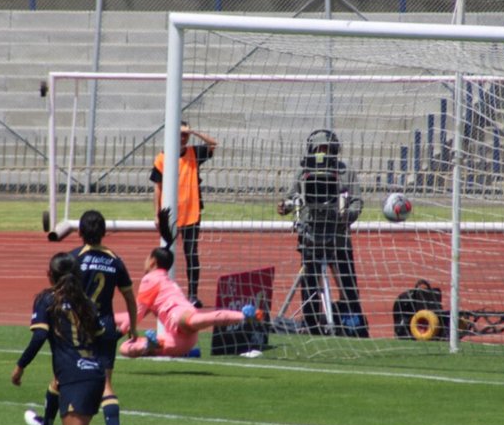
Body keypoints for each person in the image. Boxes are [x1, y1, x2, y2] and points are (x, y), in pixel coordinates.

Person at [12, 252, 145, 425]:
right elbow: (102, 336)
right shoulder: (85, 303)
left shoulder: (47, 299)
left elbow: (40, 336)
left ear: (51, 275)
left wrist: (20, 365)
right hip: (93, 373)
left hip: (75, 376)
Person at [24, 210, 139, 425]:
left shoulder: (75, 259)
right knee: (106, 383)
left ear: (79, 233)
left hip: (81, 326)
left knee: (61, 377)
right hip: (106, 326)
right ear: (105, 232)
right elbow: (130, 296)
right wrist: (134, 325)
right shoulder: (114, 260)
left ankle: (48, 424)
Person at [276, 129, 370, 337]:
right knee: (310, 282)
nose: (323, 153)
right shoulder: (303, 173)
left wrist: (346, 216)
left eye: (327, 149)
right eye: (319, 149)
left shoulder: (346, 172)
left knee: (347, 282)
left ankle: (353, 323)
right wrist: (285, 206)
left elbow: (356, 201)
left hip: (338, 237)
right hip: (310, 236)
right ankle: (311, 323)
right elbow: (292, 197)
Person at [116, 245, 255, 358]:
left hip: (178, 316)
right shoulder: (166, 281)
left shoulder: (150, 279)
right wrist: (108, 318)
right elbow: (131, 316)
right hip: (183, 341)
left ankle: (243, 316)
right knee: (124, 348)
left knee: (125, 348)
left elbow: (135, 315)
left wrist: (116, 334)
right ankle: (243, 316)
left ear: (152, 262)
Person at [150, 120, 217, 306]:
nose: (183, 137)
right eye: (179, 133)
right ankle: (162, 292)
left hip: (191, 212)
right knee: (165, 254)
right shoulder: (162, 158)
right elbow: (157, 187)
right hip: (169, 214)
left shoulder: (194, 153)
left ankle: (193, 295)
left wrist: (194, 131)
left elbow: (213, 144)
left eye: (185, 134)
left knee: (191, 254)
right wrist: (156, 213)